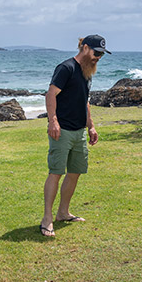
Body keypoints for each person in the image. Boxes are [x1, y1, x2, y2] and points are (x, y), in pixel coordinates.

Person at [40, 34, 110, 237]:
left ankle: (63, 213)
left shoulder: (87, 72)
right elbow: (51, 94)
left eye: (102, 55)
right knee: (56, 172)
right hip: (62, 131)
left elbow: (84, 101)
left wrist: (91, 127)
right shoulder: (66, 68)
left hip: (79, 132)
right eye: (96, 53)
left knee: (75, 172)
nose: (98, 57)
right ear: (85, 48)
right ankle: (47, 219)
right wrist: (52, 121)